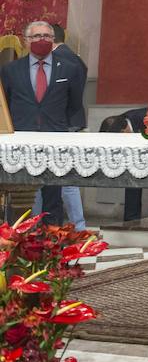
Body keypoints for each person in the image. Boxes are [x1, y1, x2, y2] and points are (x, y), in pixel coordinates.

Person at [0, 21, 87, 229]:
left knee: (52, 195)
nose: (42, 40)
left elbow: (74, 103)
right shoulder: (11, 70)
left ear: (53, 40)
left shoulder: (69, 68)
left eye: (47, 36)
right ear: (26, 40)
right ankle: (19, 240)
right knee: (21, 195)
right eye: (37, 36)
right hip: (21, 139)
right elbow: (7, 103)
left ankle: (51, 242)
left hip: (54, 138)